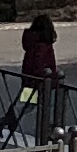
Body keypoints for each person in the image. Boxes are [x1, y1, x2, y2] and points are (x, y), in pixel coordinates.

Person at [14, 12, 60, 144]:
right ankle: (48, 131)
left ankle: (5, 120)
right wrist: (48, 76)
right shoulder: (43, 45)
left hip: (30, 79)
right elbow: (40, 63)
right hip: (41, 81)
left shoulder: (32, 41)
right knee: (46, 106)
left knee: (25, 106)